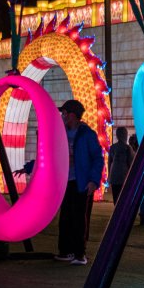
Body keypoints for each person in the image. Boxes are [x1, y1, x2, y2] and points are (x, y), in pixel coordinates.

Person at [54, 99, 104, 266]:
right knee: (65, 217)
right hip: (64, 182)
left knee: (79, 218)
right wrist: (29, 167)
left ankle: (79, 253)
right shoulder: (60, 133)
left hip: (81, 183)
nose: (62, 116)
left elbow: (98, 158)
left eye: (64, 113)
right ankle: (65, 251)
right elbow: (47, 155)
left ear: (72, 115)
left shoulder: (87, 135)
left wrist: (93, 181)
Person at [108, 126, 132, 203]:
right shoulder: (127, 148)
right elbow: (130, 163)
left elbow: (109, 163)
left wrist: (109, 175)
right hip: (124, 176)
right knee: (124, 198)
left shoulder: (112, 147)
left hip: (114, 176)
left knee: (116, 198)